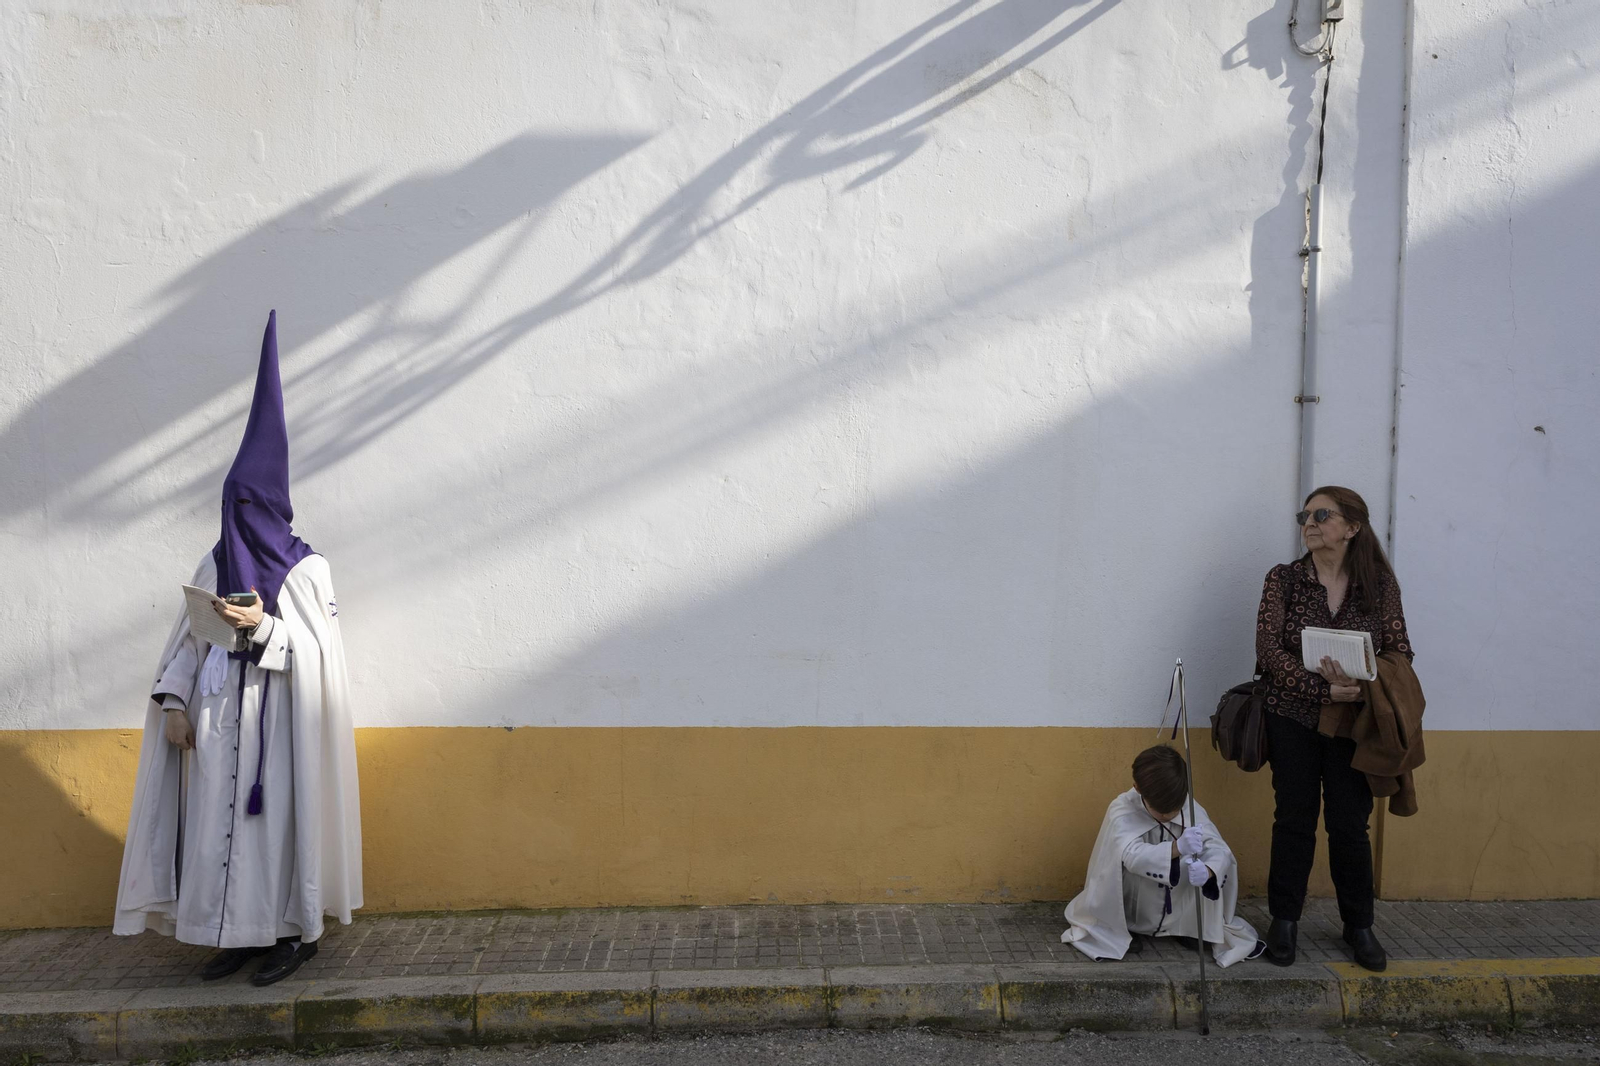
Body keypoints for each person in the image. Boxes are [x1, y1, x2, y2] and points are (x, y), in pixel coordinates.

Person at [113, 311, 362, 986]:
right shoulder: (214, 559)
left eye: (247, 505)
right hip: (219, 724)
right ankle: (234, 933)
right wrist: (173, 702)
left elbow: (322, 662)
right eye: (231, 505)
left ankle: (290, 935)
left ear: (271, 505)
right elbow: (189, 636)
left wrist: (266, 628)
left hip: (280, 735)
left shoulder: (307, 571)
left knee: (275, 837)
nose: (237, 519)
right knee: (215, 835)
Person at [1256, 485, 1412, 972]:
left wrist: (1360, 686)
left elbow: (1399, 651)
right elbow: (1268, 650)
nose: (1309, 523)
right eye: (1304, 515)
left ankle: (1358, 925)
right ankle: (1284, 921)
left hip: (1353, 724)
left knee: (1349, 825)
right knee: (1294, 819)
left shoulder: (1378, 585)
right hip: (1292, 717)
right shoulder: (1284, 579)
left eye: (1321, 515)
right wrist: (1322, 690)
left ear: (1352, 527)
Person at [1061, 745, 1263, 966]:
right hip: (1134, 900)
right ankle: (1127, 928)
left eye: (1175, 809)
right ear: (1138, 788)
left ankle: (1188, 928)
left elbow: (1218, 848)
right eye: (1161, 811)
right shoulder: (1122, 808)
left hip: (1179, 905)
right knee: (1135, 869)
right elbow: (1131, 855)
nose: (1169, 815)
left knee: (1197, 863)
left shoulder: (1188, 805)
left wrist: (1208, 870)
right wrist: (1176, 848)